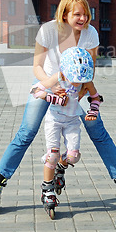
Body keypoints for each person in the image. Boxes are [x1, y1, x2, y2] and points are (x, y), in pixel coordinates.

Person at [0, 0, 116, 217]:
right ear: (64, 14)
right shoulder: (48, 31)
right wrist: (50, 86)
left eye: (86, 14)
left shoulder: (90, 33)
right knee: (26, 132)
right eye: (77, 14)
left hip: (76, 85)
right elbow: (37, 66)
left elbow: (88, 71)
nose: (83, 19)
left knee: (97, 131)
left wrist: (79, 94)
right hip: (48, 81)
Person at [38, 46, 101, 218]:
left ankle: (61, 166)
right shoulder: (58, 77)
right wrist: (53, 96)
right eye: (73, 78)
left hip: (72, 122)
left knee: (73, 157)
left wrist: (92, 112)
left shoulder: (85, 80)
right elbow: (37, 90)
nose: (76, 82)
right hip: (54, 121)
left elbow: (96, 98)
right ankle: (47, 188)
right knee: (52, 154)